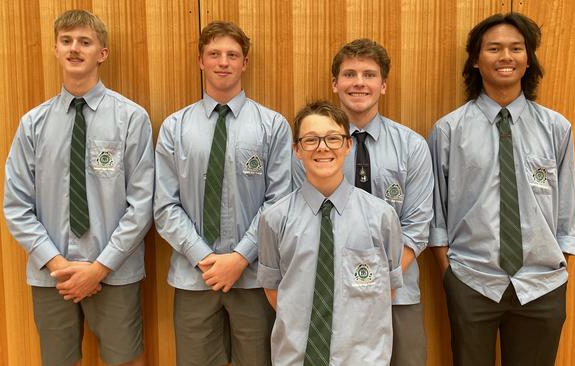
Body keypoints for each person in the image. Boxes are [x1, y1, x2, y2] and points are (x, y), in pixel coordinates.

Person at [3, 9, 153, 366]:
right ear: (55, 49)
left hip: (115, 272)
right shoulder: (33, 124)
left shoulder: (131, 118)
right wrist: (58, 265)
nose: (75, 49)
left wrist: (98, 269)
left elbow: (143, 204)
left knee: (126, 361)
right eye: (67, 41)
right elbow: (16, 205)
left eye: (85, 42)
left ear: (101, 53)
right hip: (51, 275)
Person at [428, 12, 575, 366]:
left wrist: (557, 267)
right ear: (477, 61)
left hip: (542, 284)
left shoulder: (556, 128)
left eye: (516, 48)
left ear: (529, 61)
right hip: (472, 280)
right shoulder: (449, 131)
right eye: (493, 48)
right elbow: (437, 215)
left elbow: (566, 210)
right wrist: (451, 276)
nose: (505, 57)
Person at [153, 20, 292, 366]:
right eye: (214, 54)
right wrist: (206, 258)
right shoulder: (174, 127)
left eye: (232, 54)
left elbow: (279, 202)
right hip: (193, 276)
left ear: (245, 63)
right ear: (201, 61)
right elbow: (164, 206)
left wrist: (240, 258)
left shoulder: (272, 125)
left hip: (255, 278)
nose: (223, 62)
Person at [292, 38, 433, 365]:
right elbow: (303, 219)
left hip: (398, 295)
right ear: (335, 83)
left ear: (383, 85)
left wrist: (383, 281)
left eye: (369, 75)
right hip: (328, 295)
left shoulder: (412, 146)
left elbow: (418, 227)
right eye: (349, 74)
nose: (358, 82)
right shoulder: (310, 148)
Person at [259, 100, 404, 365]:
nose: (323, 147)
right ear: (297, 150)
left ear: (348, 145)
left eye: (333, 138)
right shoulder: (274, 218)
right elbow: (273, 289)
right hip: (295, 358)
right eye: (311, 140)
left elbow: (388, 290)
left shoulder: (381, 216)